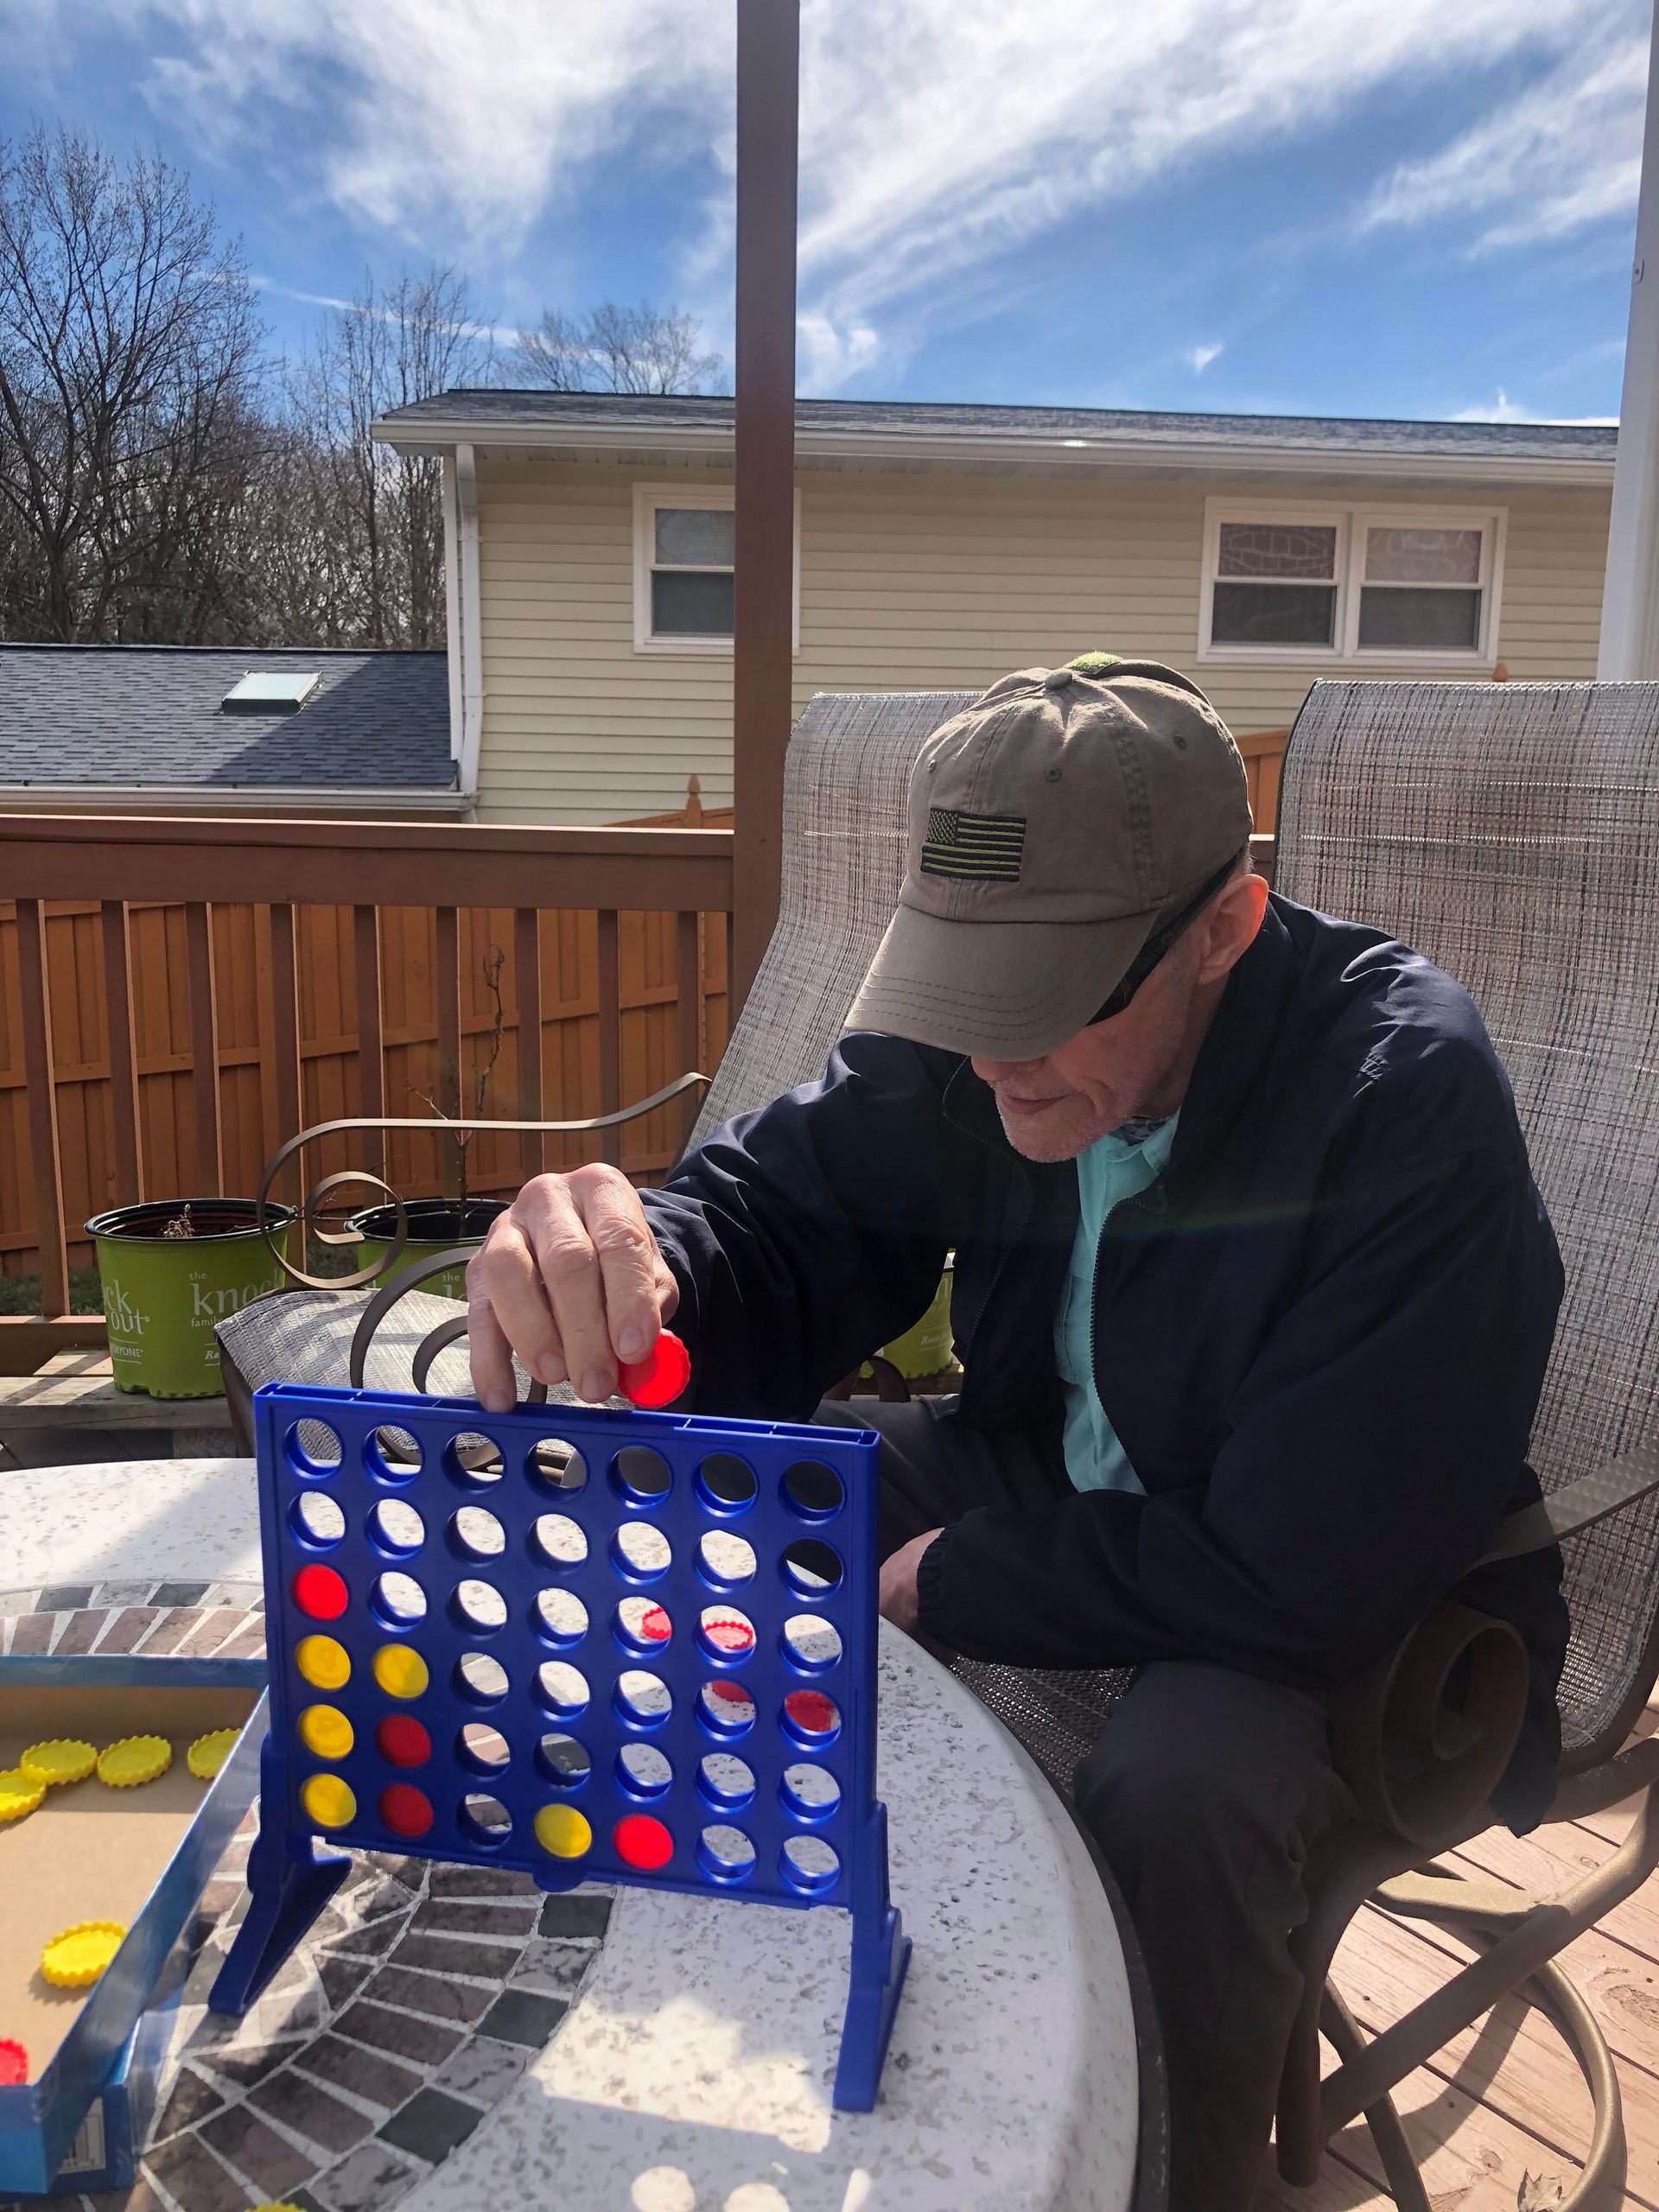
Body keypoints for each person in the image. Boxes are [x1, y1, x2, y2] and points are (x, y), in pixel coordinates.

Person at [467, 655, 1567, 2212]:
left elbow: (1304, 1569)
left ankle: (1159, 2173)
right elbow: (780, 1219)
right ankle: (751, 1995)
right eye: (962, 988)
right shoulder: (982, 1036)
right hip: (1054, 1458)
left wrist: (957, 1579)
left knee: (1180, 1793)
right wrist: (641, 1258)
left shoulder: (1404, 1094)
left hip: (1351, 1591)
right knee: (733, 1506)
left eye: (1049, 1000)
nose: (993, 1055)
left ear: (1223, 931)